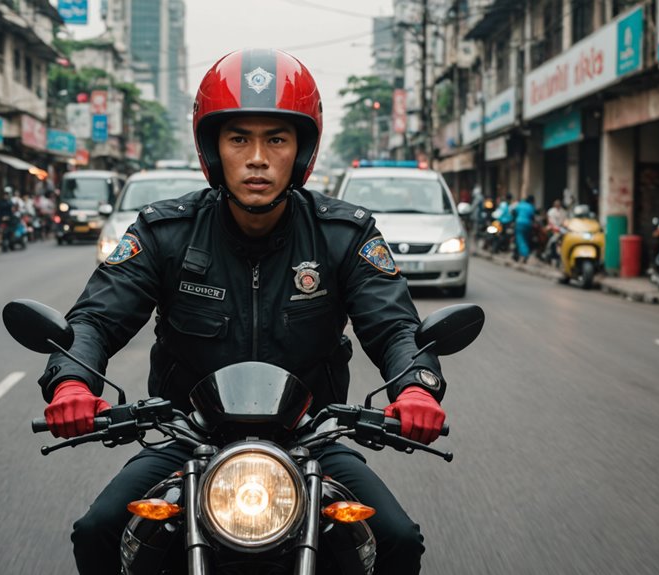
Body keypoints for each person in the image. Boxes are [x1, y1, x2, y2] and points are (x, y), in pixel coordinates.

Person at [41, 49, 447, 574]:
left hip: (311, 435)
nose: (258, 158)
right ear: (213, 150)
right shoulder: (165, 231)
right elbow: (97, 318)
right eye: (239, 139)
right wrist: (73, 383)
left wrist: (415, 387)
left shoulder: (344, 233)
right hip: (189, 434)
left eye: (276, 139)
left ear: (302, 151)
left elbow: (392, 326)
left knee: (397, 540)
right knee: (97, 531)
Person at [512, 195, 537, 262]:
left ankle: (525, 254)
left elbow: (514, 212)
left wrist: (515, 219)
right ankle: (521, 254)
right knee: (526, 239)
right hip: (528, 224)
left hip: (519, 223)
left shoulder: (520, 205)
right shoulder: (530, 207)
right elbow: (533, 217)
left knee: (520, 239)